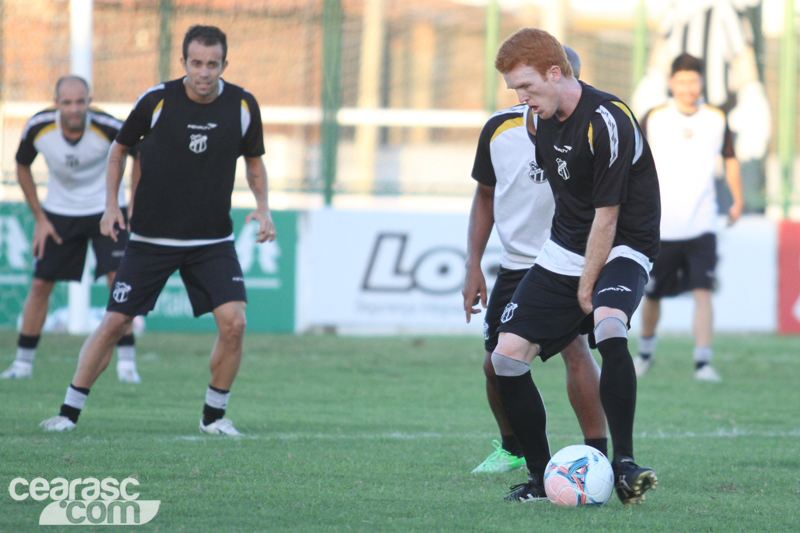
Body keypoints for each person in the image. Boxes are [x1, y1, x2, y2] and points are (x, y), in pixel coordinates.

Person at [39, 24, 276, 436]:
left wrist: (263, 207)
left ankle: (214, 418)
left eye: (213, 64)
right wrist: (112, 205)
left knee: (235, 323)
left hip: (212, 242)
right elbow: (119, 150)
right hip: (150, 241)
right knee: (114, 323)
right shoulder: (156, 100)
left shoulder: (242, 105)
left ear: (224, 64)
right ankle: (68, 412)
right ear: (183, 62)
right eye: (197, 63)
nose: (204, 72)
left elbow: (253, 161)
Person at [491, 28, 660, 504]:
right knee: (505, 357)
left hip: (625, 243)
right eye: (514, 91)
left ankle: (625, 465)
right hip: (567, 245)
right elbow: (568, 204)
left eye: (526, 87)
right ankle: (543, 479)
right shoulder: (541, 120)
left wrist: (587, 290)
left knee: (607, 328)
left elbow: (607, 216)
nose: (522, 99)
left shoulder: (608, 118)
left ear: (554, 71)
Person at [464, 47, 608, 474]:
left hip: (568, 263)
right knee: (495, 363)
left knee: (576, 349)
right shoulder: (499, 131)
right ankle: (514, 449)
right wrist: (473, 263)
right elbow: (485, 195)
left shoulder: (592, 129)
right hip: (516, 264)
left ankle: (596, 453)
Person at [1, 76, 141, 384]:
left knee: (120, 284)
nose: (74, 109)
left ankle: (127, 365)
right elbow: (21, 165)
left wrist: (132, 206)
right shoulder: (38, 127)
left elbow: (138, 154)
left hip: (107, 210)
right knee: (40, 285)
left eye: (80, 102)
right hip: (60, 213)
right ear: (56, 103)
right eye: (67, 102)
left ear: (90, 101)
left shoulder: (109, 126)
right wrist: (39, 217)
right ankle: (22, 363)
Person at [634, 53, 743, 383]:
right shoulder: (653, 118)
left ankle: (702, 362)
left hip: (702, 224)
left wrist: (737, 200)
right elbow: (633, 162)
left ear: (701, 83)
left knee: (703, 292)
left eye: (693, 81)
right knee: (652, 295)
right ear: (671, 83)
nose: (688, 87)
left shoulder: (716, 118)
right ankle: (645, 354)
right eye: (681, 81)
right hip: (661, 226)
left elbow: (730, 159)